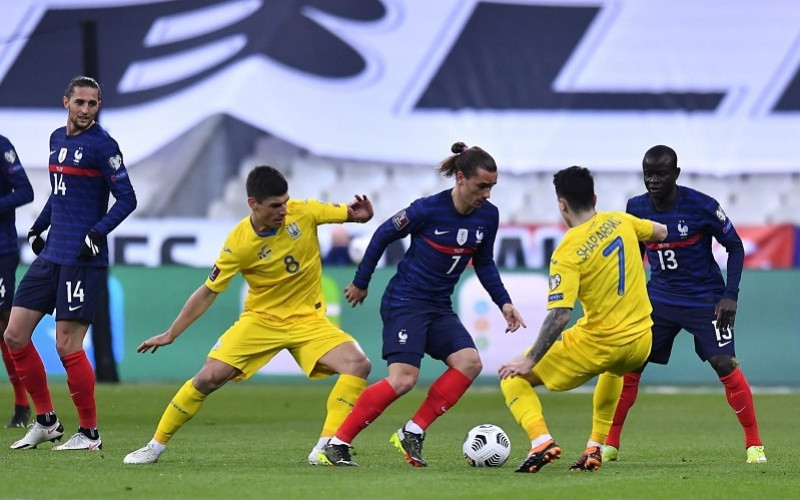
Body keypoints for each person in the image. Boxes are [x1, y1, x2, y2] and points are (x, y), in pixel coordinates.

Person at [123, 165, 373, 465]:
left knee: (358, 364)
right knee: (207, 379)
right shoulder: (239, 243)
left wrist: (360, 214)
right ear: (253, 204)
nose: (283, 210)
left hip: (309, 320)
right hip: (261, 322)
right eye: (275, 205)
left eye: (285, 201)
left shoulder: (304, 212)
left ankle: (325, 447)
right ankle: (155, 445)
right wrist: (172, 333)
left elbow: (350, 213)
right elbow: (208, 292)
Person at [319, 141, 526, 467]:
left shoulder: (489, 216)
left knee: (470, 363)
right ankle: (336, 443)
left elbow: (484, 262)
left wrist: (504, 303)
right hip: (406, 301)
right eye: (481, 186)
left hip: (438, 307)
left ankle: (412, 431)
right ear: (460, 178)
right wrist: (361, 281)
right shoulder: (427, 209)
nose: (487, 194)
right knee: (403, 379)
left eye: (492, 187)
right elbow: (383, 234)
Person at [602, 145, 766, 464]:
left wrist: (730, 295)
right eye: (647, 173)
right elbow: (634, 254)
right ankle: (609, 444)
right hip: (659, 299)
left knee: (724, 364)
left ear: (675, 174)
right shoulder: (635, 207)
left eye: (660, 173)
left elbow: (734, 246)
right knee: (630, 364)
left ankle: (754, 444)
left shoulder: (702, 206)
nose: (652, 180)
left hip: (705, 299)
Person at [498, 165, 667, 473]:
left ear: (561, 204)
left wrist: (531, 359)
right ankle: (595, 447)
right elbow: (661, 232)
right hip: (641, 342)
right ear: (595, 197)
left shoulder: (567, 250)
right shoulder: (620, 220)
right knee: (614, 371)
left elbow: (561, 314)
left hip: (601, 343)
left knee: (513, 377)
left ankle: (541, 441)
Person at [4, 76, 137, 450]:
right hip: (52, 253)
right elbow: (59, 191)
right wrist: (39, 224)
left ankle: (89, 433)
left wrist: (98, 231)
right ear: (66, 102)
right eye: (79, 102)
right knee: (13, 334)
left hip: (83, 258)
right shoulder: (56, 139)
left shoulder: (103, 146)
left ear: (98, 106)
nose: (85, 110)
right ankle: (46, 420)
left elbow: (127, 199)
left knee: (67, 345)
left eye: (92, 104)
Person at [0, 134, 35, 428]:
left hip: (1, 250)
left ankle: (22, 403)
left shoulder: (2, 146)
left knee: (4, 326)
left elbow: (25, 191)